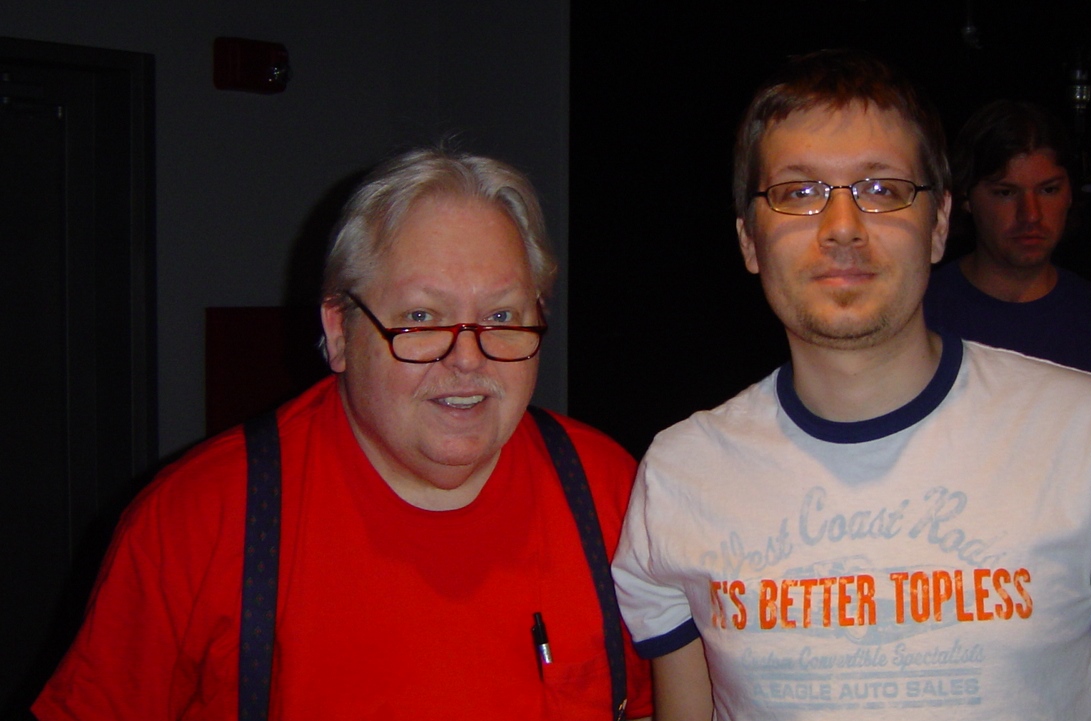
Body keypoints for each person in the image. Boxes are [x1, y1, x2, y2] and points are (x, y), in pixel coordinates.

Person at [611, 50, 1091, 720]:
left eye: (881, 189)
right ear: (749, 241)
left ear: (938, 226)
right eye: (799, 192)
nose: (842, 228)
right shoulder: (681, 474)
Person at [34, 149, 652, 720]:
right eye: (420, 318)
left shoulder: (609, 491)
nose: (467, 358)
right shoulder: (197, 523)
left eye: (500, 316)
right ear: (338, 332)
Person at [923, 99, 1091, 466]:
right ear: (966, 199)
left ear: (1070, 194)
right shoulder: (921, 314)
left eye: (1048, 190)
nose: (1031, 215)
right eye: (1006, 192)